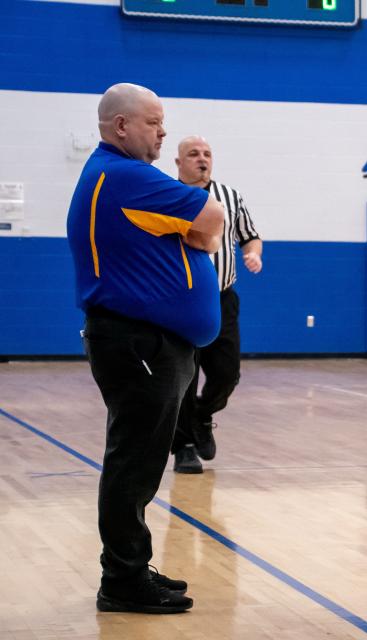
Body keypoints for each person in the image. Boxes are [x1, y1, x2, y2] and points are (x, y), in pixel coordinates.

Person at [66, 83, 225, 613]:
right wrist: (193, 239)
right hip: (138, 342)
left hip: (145, 341)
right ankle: (122, 581)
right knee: (133, 462)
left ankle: (131, 567)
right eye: (154, 122)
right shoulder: (126, 176)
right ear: (121, 127)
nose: (163, 132)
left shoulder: (120, 177)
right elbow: (212, 219)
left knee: (140, 459)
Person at [169, 136, 263, 474]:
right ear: (178, 163)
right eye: (193, 154)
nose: (201, 159)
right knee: (184, 375)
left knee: (226, 374)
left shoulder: (230, 197)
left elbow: (250, 235)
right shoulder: (165, 195)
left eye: (207, 154)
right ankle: (183, 446)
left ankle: (203, 416)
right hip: (179, 301)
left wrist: (253, 253)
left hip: (222, 298)